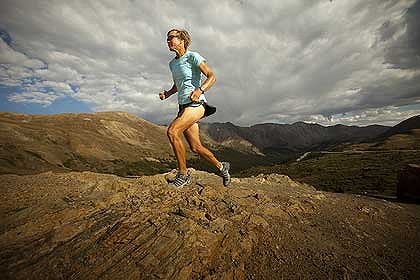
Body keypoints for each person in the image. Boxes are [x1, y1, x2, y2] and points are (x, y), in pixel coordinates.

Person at [159, 28, 231, 188]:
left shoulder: (193, 56)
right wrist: (168, 93)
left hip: (197, 104)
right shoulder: (173, 64)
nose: (168, 41)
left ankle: (183, 175)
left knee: (172, 131)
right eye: (167, 38)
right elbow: (178, 84)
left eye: (172, 37)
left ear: (182, 40)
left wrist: (199, 90)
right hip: (183, 106)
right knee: (196, 147)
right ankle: (222, 167)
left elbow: (212, 77)